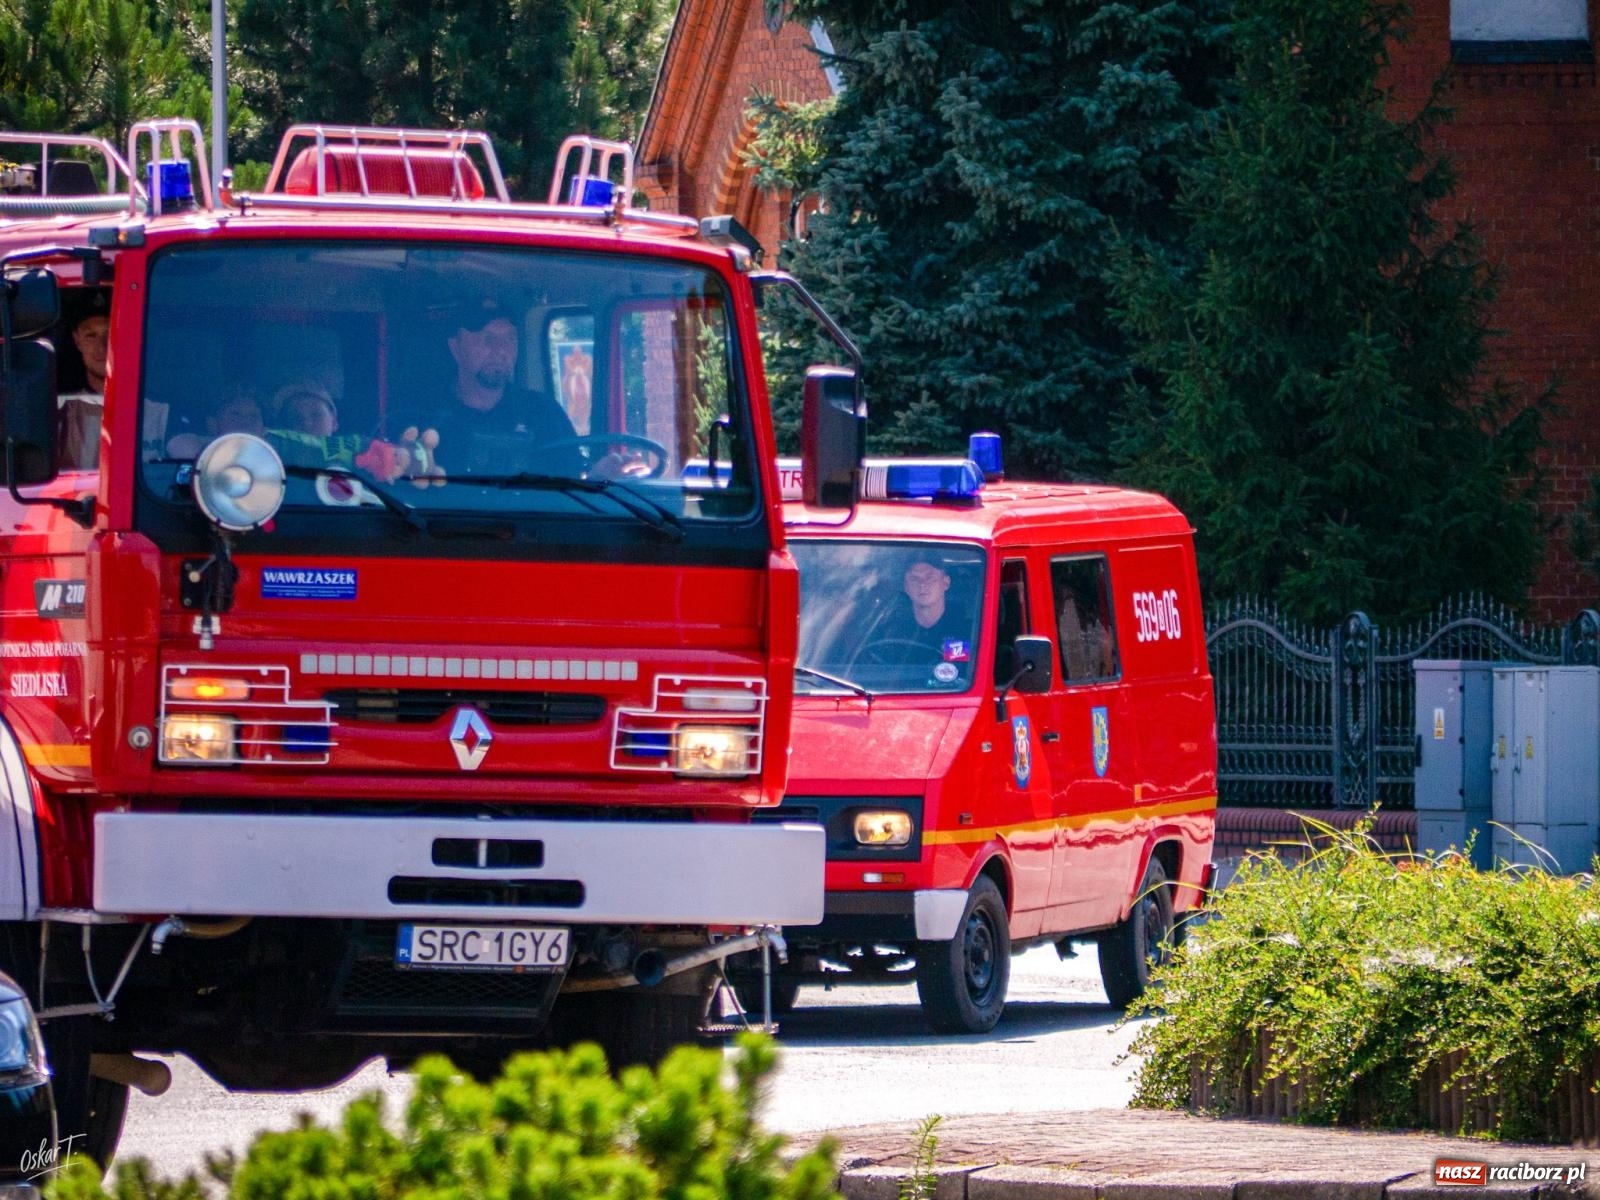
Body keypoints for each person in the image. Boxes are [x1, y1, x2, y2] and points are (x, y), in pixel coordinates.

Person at [405, 297, 582, 477]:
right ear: (455, 347)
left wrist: (598, 478)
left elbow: (574, 484)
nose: (501, 350)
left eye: (510, 338)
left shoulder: (544, 413)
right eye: (487, 338)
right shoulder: (421, 416)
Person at [868, 553, 975, 666]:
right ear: (906, 587)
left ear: (946, 583)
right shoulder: (890, 632)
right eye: (914, 579)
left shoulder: (967, 632)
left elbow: (965, 673)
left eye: (930, 578)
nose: (922, 585)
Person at [58, 294, 110, 469]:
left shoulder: (158, 411)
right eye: (91, 335)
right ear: (77, 341)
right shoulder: (60, 414)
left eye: (109, 333)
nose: (102, 347)